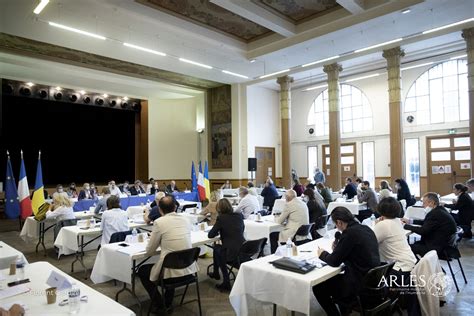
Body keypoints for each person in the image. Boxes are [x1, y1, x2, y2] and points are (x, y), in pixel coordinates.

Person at [313, 207, 380, 316]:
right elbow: (355, 252)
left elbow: (334, 261)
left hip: (359, 284)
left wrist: (322, 254)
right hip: (372, 280)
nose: (337, 228)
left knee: (318, 288)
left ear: (339, 222)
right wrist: (339, 249)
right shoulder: (365, 228)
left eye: (336, 224)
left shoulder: (349, 233)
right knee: (334, 279)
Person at [138, 196, 196, 313]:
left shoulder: (159, 222)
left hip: (170, 273)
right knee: (171, 261)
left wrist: (156, 239)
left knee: (142, 270)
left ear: (159, 209)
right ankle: (167, 302)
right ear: (175, 207)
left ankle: (160, 304)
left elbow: (149, 251)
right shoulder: (186, 220)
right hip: (188, 269)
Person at [373, 197, 418, 315]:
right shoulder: (398, 221)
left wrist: (377, 225)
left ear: (380, 209)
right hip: (411, 264)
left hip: (399, 269)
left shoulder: (383, 225)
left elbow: (370, 243)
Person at [402, 192, 457, 257]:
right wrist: (410, 221)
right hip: (445, 245)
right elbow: (427, 222)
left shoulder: (435, 214)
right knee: (412, 245)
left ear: (432, 203)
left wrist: (404, 226)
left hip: (437, 248)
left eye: (424, 203)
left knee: (405, 248)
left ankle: (416, 266)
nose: (422, 205)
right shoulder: (440, 210)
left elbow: (423, 231)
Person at [208, 199, 245, 292]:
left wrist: (220, 230)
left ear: (219, 209)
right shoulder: (239, 215)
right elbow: (241, 230)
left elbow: (211, 235)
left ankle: (226, 281)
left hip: (231, 253)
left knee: (217, 249)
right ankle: (217, 273)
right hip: (243, 249)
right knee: (218, 249)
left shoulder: (221, 218)